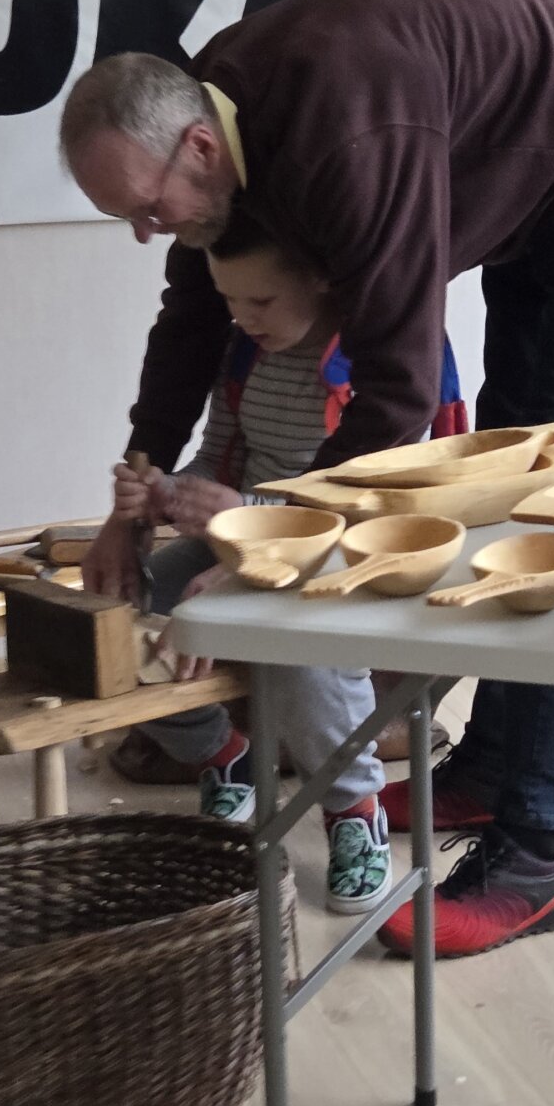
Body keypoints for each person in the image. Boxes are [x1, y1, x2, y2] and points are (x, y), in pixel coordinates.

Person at [61, 0, 554, 960]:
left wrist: (275, 542)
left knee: (545, 502)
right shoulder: (210, 124)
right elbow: (188, 324)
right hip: (524, 155)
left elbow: (396, 388)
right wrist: (130, 499)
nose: (147, 233)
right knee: (512, 470)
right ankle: (487, 771)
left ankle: (537, 854)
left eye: (147, 209)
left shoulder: (346, 144)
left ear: (200, 148)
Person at [110, 210, 394, 915]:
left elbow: (365, 505)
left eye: (260, 299)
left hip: (337, 551)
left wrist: (244, 513)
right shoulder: (247, 351)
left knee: (297, 649)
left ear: (319, 280)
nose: (243, 317)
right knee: (119, 619)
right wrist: (167, 491)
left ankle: (355, 809)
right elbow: (220, 455)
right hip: (243, 536)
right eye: (228, 299)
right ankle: (222, 755)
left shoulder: (370, 362)